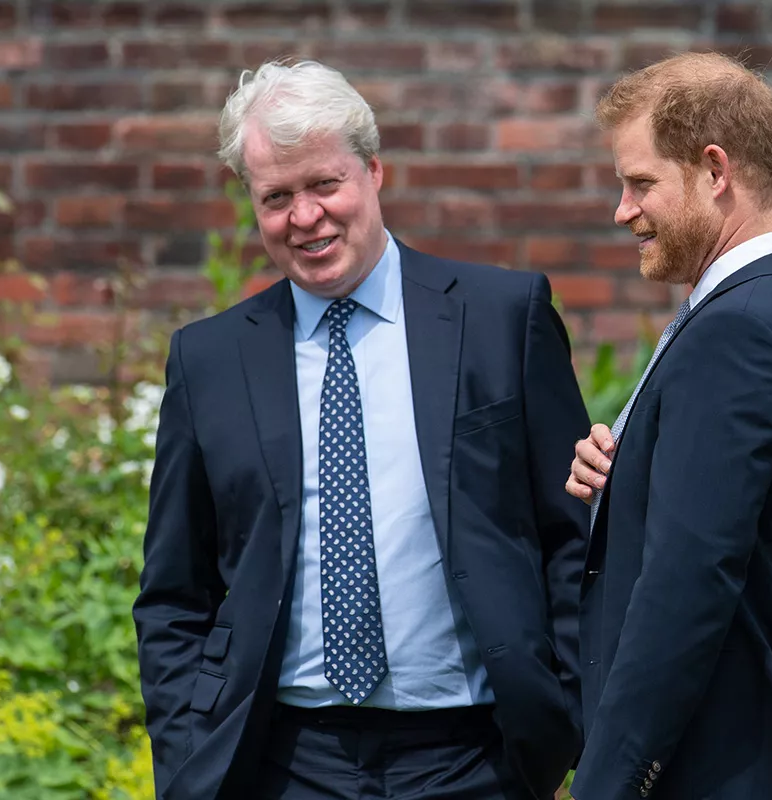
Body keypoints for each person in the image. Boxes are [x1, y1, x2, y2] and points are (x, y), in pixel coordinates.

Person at [133, 59, 589, 800]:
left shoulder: (503, 318)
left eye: (323, 184)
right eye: (276, 197)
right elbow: (175, 591)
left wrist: (564, 714)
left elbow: (572, 536)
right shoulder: (209, 359)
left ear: (374, 172)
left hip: (475, 759)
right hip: (283, 764)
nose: (304, 217)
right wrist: (189, 753)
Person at [564, 52, 772, 800]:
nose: (623, 210)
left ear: (714, 170)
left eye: (641, 184)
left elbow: (689, 581)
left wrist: (606, 783)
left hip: (725, 772)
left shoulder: (741, 332)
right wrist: (622, 477)